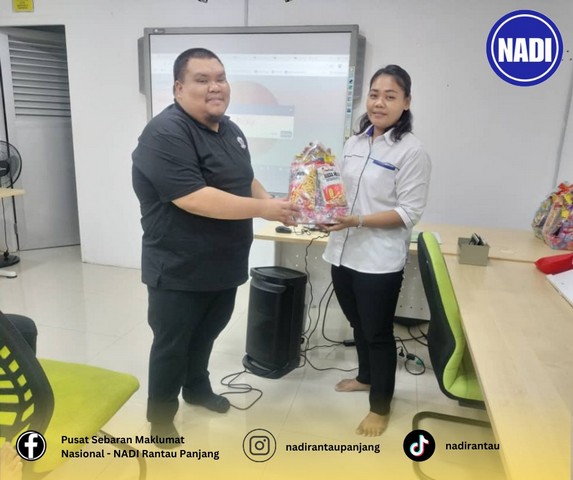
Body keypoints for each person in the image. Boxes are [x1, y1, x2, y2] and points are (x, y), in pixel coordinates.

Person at [131, 48, 298, 446]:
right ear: (179, 88)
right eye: (202, 80)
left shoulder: (230, 130)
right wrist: (264, 209)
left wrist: (275, 204)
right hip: (178, 266)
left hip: (223, 263)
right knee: (173, 344)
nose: (215, 87)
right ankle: (160, 417)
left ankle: (197, 388)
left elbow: (245, 179)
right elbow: (194, 198)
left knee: (207, 333)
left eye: (220, 78)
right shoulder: (165, 133)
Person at [322, 65, 431, 437]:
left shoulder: (412, 151)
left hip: (378, 261)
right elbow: (340, 190)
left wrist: (356, 220)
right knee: (358, 325)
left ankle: (380, 406)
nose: (379, 103)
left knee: (378, 333)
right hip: (342, 254)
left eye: (390, 96)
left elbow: (408, 212)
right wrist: (323, 209)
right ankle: (366, 377)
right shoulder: (355, 142)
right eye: (374, 94)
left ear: (406, 102)